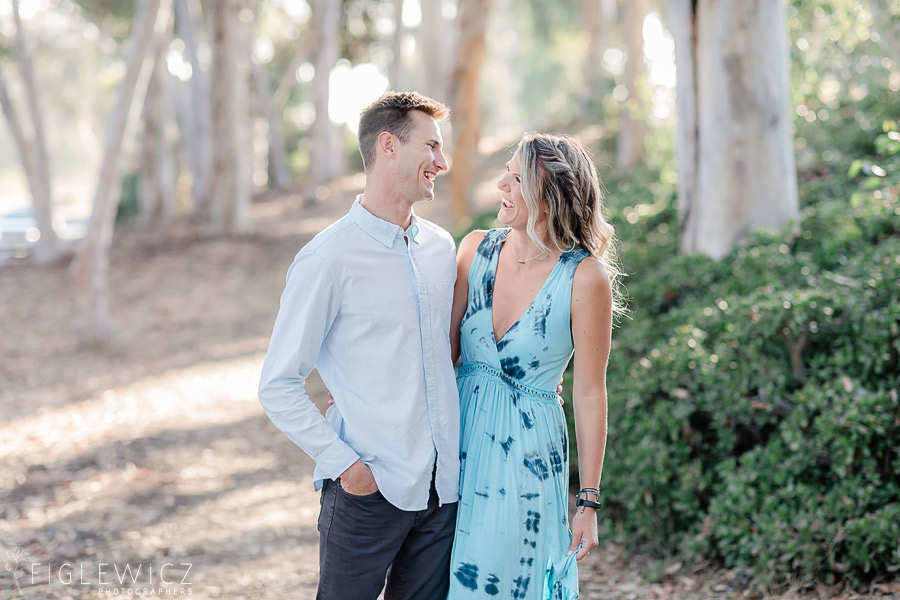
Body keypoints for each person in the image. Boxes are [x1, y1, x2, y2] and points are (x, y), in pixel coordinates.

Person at [258, 91, 460, 600]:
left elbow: (455, 352)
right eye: (431, 146)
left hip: (443, 492)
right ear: (388, 145)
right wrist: (349, 469)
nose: (443, 162)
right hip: (369, 492)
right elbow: (278, 384)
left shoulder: (441, 248)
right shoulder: (327, 259)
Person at [446, 132, 622, 599]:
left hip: (527, 457)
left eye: (516, 177)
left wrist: (588, 501)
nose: (501, 184)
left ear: (550, 193)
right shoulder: (474, 250)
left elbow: (589, 393)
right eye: (505, 173)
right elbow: (441, 356)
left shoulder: (585, 278)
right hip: (458, 440)